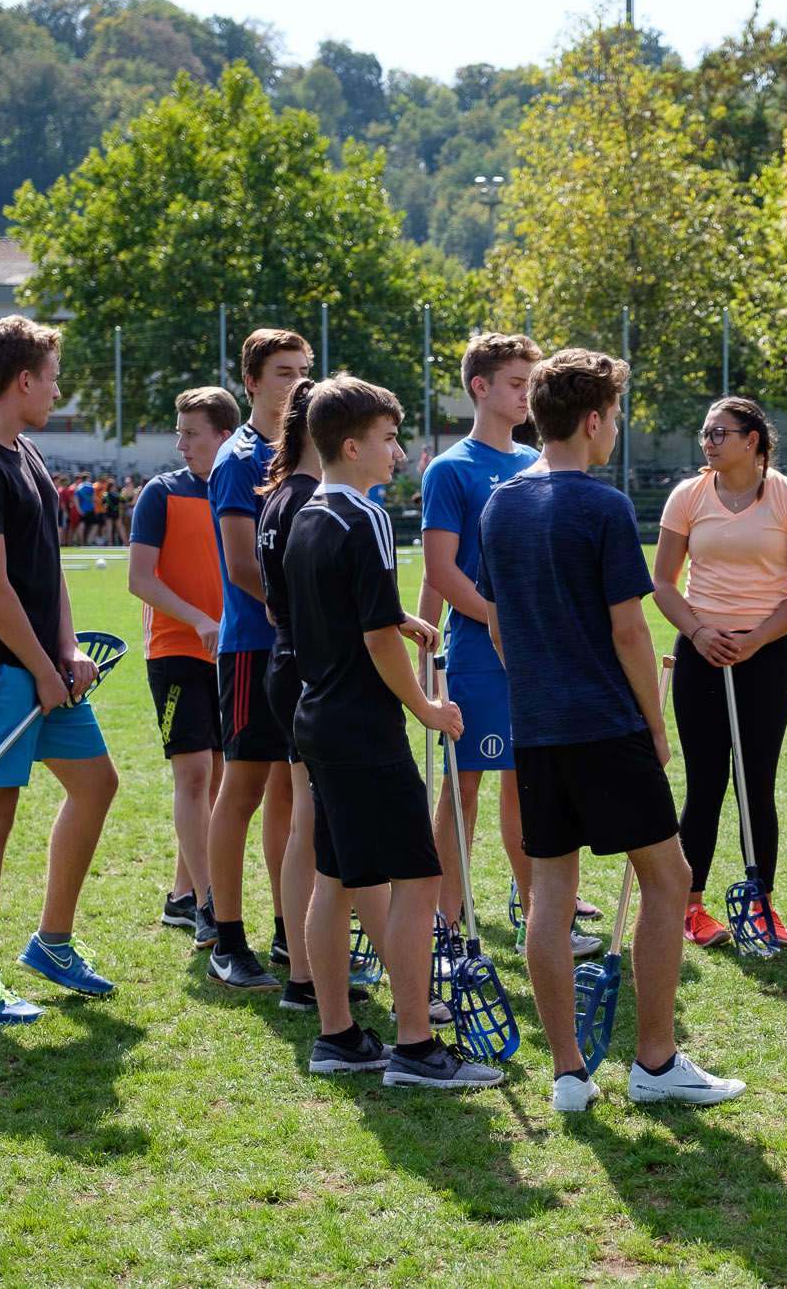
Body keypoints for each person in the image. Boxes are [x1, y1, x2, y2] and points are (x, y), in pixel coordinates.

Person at [478, 347, 748, 1110]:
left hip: (537, 728)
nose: (618, 429)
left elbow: (497, 624)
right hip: (604, 724)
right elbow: (630, 629)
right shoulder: (602, 505)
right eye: (618, 415)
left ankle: (568, 1073)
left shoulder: (499, 504)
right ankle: (655, 1062)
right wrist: (655, 726)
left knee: (550, 894)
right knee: (669, 878)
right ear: (593, 420)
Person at [280, 377, 489, 1085]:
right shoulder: (365, 515)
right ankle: (415, 1046)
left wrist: (399, 616)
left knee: (336, 877)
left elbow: (337, 608)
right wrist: (426, 707)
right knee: (420, 875)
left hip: (317, 716)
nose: (398, 453)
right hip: (363, 725)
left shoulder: (308, 511)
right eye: (389, 439)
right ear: (351, 446)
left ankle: (337, 1036)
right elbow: (372, 640)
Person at [0, 315, 118, 1024]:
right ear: (22, 380)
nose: (57, 390)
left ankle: (52, 942)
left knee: (97, 784)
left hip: (43, 664)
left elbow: (47, 567)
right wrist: (43, 668)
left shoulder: (27, 453)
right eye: (52, 378)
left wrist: (66, 650)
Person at [415, 333, 602, 961]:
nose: (527, 395)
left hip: (534, 655)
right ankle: (444, 927)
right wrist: (443, 640)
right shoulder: (450, 469)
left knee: (531, 786)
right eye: (517, 383)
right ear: (481, 386)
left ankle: (538, 917)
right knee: (462, 788)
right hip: (478, 656)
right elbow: (441, 571)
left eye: (531, 383)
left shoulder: (536, 461)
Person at [654, 397, 787, 948]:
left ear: (752, 440)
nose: (707, 442)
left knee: (755, 784)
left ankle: (761, 903)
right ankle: (691, 907)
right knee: (704, 784)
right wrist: (700, 633)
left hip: (766, 655)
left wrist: (757, 639)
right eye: (704, 432)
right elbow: (662, 583)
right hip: (699, 653)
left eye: (719, 433)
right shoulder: (688, 495)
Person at [204, 329, 311, 990]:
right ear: (250, 381)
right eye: (281, 372)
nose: (295, 383)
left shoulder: (302, 453)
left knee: (287, 792)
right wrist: (297, 611)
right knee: (241, 789)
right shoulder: (238, 458)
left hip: (294, 649)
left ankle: (287, 930)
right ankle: (226, 937)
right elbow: (243, 565)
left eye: (302, 371)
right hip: (251, 645)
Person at [126, 387, 237, 935]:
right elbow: (139, 579)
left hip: (232, 652)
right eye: (179, 433)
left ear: (224, 436)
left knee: (215, 779)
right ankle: (210, 906)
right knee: (194, 775)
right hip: (176, 652)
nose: (180, 444)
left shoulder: (242, 491)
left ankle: (182, 894)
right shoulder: (161, 493)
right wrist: (198, 619)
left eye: (191, 433)